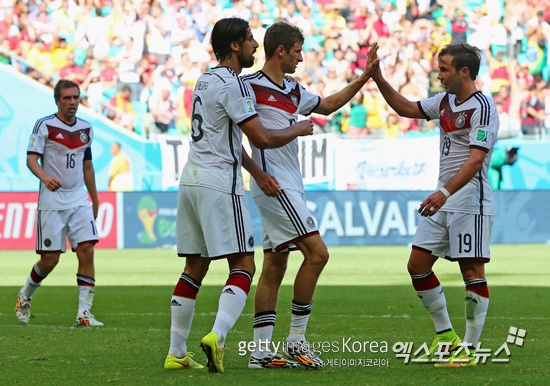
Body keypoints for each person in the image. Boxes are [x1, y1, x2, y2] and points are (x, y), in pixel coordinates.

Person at [164, 17, 314, 373]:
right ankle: (217, 336)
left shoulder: (204, 79)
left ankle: (176, 353)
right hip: (220, 183)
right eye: (248, 40)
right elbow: (260, 137)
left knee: (193, 270)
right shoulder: (236, 85)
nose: (253, 46)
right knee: (245, 265)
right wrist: (298, 128)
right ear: (235, 45)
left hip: (190, 181)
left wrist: (258, 171)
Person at [242, 22, 379, 369]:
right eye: (298, 51)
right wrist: (258, 173)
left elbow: (329, 104)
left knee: (275, 263)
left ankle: (260, 353)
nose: (302, 58)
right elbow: (232, 139)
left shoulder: (292, 89)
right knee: (317, 254)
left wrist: (365, 77)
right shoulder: (247, 87)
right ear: (280, 51)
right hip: (275, 184)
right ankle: (296, 342)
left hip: (289, 183)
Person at [371, 43, 499, 367]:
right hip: (443, 197)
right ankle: (446, 337)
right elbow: (406, 109)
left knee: (471, 271)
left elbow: (475, 161)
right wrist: (379, 79)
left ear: (464, 71)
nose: (438, 75)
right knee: (417, 265)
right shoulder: (443, 101)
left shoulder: (482, 107)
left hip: (469, 200)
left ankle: (469, 350)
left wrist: (444, 193)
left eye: (444, 69)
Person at [16, 79, 102, 327]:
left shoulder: (86, 128)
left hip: (78, 200)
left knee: (87, 250)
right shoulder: (44, 126)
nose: (72, 102)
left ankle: (84, 314)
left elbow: (87, 165)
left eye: (76, 97)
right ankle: (25, 295)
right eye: (67, 98)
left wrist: (94, 197)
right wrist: (45, 177)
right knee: (50, 259)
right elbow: (31, 160)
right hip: (52, 201)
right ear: (57, 100)